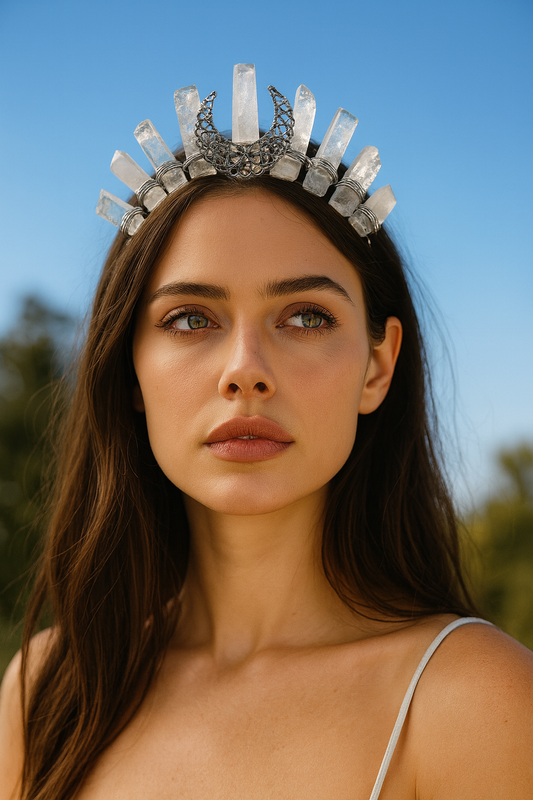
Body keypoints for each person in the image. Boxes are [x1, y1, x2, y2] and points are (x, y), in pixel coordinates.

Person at [1, 67, 532, 800]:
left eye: (306, 317)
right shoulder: (47, 690)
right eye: (191, 319)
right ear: (129, 371)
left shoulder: (476, 704)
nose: (245, 371)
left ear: (377, 367)